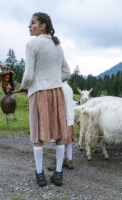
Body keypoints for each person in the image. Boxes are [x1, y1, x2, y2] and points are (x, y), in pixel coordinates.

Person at [20, 12, 71, 187]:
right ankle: (58, 173)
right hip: (57, 92)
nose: (29, 26)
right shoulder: (57, 45)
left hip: (38, 92)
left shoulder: (32, 44)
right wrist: (54, 81)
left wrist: (24, 86)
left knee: (37, 134)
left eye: (32, 23)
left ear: (43, 26)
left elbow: (28, 74)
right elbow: (67, 73)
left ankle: (40, 174)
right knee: (59, 133)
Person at [47, 80, 77, 171]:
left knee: (60, 140)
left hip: (61, 118)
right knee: (68, 140)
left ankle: (58, 161)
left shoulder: (60, 87)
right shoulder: (69, 88)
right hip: (69, 117)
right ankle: (69, 159)